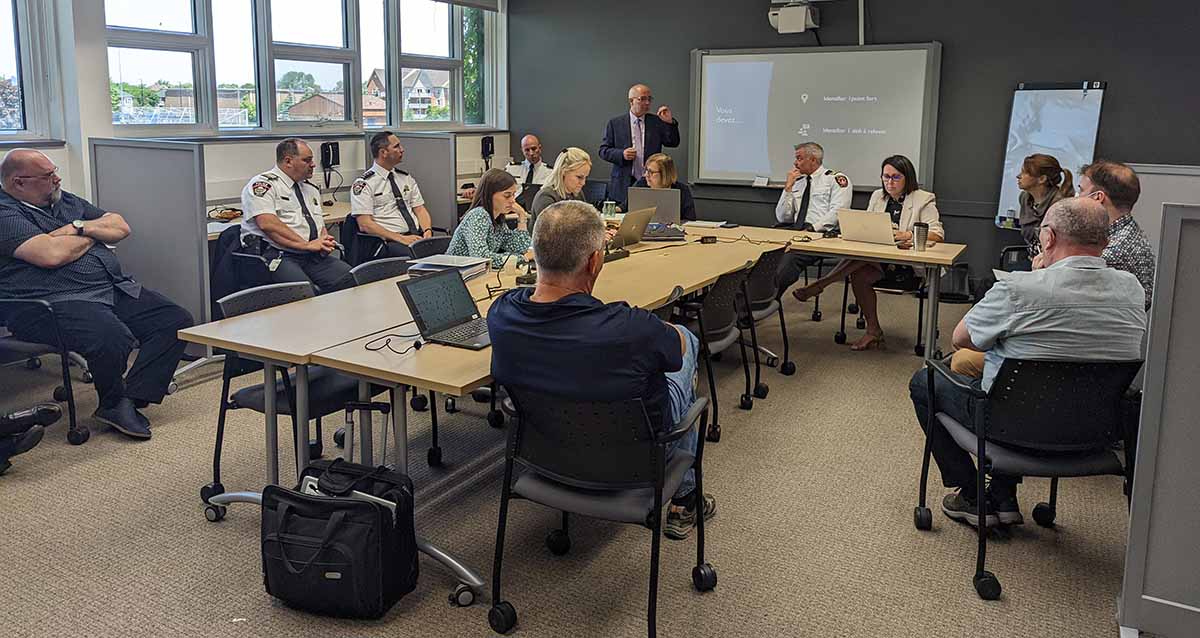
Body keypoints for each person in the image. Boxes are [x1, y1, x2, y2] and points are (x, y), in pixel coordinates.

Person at [487, 200, 716, 539]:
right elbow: (676, 351)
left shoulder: (501, 314)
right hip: (634, 462)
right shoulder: (631, 328)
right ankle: (686, 499)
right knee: (685, 340)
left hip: (545, 453)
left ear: (536, 255)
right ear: (595, 261)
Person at [911, 197, 1145, 527]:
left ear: (1048, 238)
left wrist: (1035, 281)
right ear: (1105, 242)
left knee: (925, 381)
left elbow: (961, 339)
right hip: (1094, 432)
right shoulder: (1132, 290)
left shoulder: (1018, 288)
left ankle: (974, 494)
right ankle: (1002, 494)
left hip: (1008, 427)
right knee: (1023, 386)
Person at [0, 149, 194, 440]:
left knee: (174, 321)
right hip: (48, 303)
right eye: (48, 175)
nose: (57, 179)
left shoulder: (63, 200)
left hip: (109, 288)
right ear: (18, 182)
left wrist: (77, 228)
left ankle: (131, 397)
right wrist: (94, 234)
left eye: (55, 171)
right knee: (112, 337)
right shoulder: (6, 213)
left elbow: (120, 226)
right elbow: (50, 255)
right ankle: (113, 403)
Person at [790, 155, 942, 350]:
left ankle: (822, 284)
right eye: (886, 177)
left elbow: (937, 234)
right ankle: (873, 331)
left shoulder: (923, 199)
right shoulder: (878, 196)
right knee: (859, 274)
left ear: (908, 178)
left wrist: (907, 235)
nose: (889, 182)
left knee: (860, 263)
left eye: (896, 177)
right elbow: (868, 228)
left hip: (905, 267)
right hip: (875, 261)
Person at [239, 138, 354, 293]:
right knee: (304, 293)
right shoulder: (263, 185)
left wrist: (324, 240)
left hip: (311, 255)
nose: (313, 164)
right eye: (307, 160)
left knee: (352, 280)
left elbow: (318, 223)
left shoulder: (310, 188)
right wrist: (306, 245)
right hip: (278, 255)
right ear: (288, 161)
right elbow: (267, 224)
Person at [774, 142, 853, 292]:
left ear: (813, 160)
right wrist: (788, 188)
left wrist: (811, 229)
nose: (795, 163)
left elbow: (838, 212)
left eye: (799, 158)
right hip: (796, 230)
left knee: (790, 259)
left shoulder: (835, 179)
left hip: (820, 234)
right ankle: (753, 297)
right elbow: (783, 218)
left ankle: (766, 298)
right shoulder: (798, 182)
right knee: (766, 256)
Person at [1077, 160, 1155, 309]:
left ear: (1098, 197)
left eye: (1081, 190)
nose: (1077, 197)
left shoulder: (1112, 252)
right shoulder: (1127, 232)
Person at [350, 131, 435, 259]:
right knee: (419, 257)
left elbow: (420, 209)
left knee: (445, 251)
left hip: (416, 236)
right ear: (383, 152)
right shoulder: (364, 184)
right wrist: (401, 238)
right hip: (389, 241)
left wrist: (427, 231)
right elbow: (365, 224)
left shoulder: (405, 178)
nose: (402, 149)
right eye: (396, 146)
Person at [598, 83, 680, 208]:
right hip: (623, 182)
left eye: (649, 99)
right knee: (622, 215)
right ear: (631, 101)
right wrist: (622, 154)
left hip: (650, 182)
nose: (647, 103)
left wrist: (669, 123)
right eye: (642, 99)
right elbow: (603, 150)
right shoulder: (615, 123)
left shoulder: (656, 121)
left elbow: (673, 142)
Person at [447, 168, 532, 269]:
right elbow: (481, 258)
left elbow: (520, 248)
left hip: (475, 273)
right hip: (455, 274)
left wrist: (522, 216)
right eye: (507, 195)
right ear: (489, 195)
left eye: (513, 195)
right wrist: (522, 258)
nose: (513, 200)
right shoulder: (479, 215)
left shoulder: (498, 219)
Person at [1016, 153, 1073, 255]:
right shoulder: (1024, 198)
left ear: (1042, 179)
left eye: (1025, 172)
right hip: (1034, 256)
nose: (1018, 176)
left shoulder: (1061, 204)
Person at [632, 153, 696, 221]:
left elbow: (689, 219)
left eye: (651, 172)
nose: (646, 175)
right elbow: (626, 210)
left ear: (665, 174)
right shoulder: (640, 185)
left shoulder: (682, 190)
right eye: (646, 170)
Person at [531, 147, 591, 219]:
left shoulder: (577, 194)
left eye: (585, 177)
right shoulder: (545, 197)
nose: (583, 183)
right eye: (579, 177)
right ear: (563, 172)